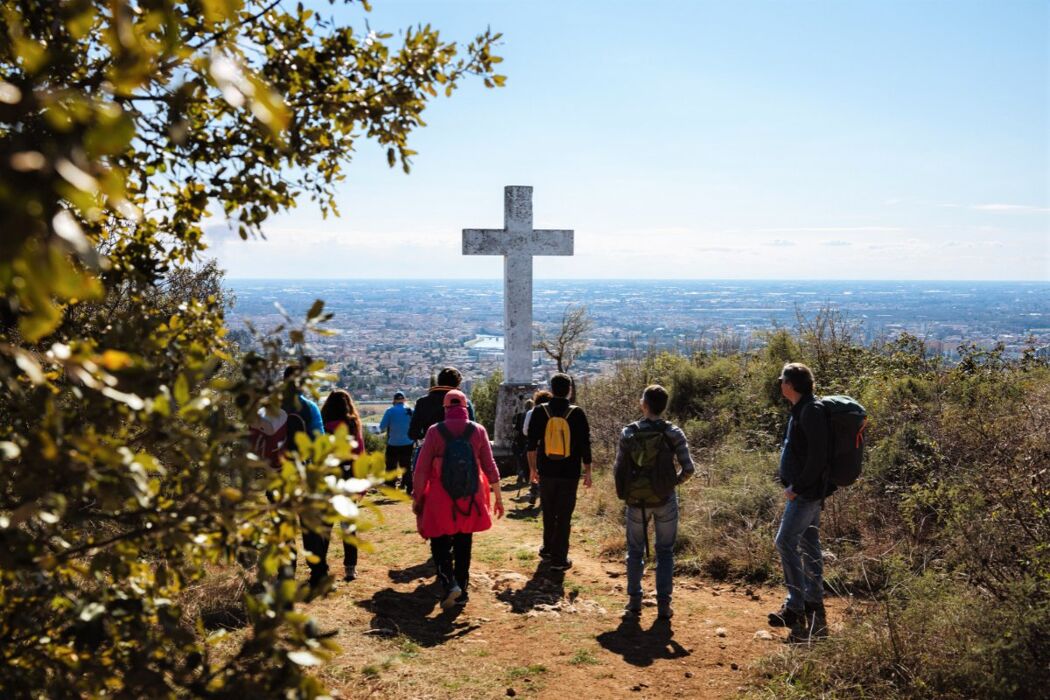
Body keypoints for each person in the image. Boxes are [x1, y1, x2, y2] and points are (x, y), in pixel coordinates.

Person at [412, 390, 504, 608]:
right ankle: (462, 591)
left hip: (440, 497)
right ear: (465, 407)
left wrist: (418, 497)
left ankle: (449, 584)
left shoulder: (435, 431)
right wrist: (498, 497)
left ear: (446, 409)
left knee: (439, 541)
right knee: (464, 543)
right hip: (469, 496)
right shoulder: (478, 430)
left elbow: (421, 469)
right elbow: (490, 467)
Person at [613, 384, 694, 620]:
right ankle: (663, 606)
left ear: (644, 404)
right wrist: (670, 484)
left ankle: (634, 602)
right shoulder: (674, 433)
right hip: (665, 499)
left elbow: (618, 469)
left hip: (636, 501)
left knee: (634, 550)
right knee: (665, 552)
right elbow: (689, 468)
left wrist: (628, 492)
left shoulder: (628, 433)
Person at [770, 362, 831, 642]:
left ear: (790, 385)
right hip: (807, 491)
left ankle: (795, 605)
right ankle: (813, 600)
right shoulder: (802, 409)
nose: (779, 383)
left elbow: (818, 457)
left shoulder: (810, 411)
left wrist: (798, 486)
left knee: (784, 542)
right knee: (809, 543)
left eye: (782, 379)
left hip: (806, 493)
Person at [527, 373, 592, 572]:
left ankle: (547, 549)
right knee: (564, 514)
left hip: (546, 470)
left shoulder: (540, 411)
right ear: (570, 390)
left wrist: (532, 469)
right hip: (570, 472)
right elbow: (585, 445)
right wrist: (588, 471)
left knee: (548, 510)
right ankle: (559, 558)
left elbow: (531, 444)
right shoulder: (577, 413)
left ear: (551, 389)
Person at [312, 389, 366, 582]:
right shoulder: (352, 424)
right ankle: (350, 568)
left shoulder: (322, 424)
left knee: (325, 526)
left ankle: (321, 567)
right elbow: (360, 453)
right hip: (348, 478)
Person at [408, 366, 475, 442]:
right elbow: (472, 430)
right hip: (459, 450)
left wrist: (427, 437)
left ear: (439, 382)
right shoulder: (465, 403)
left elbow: (413, 433)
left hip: (432, 448)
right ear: (458, 384)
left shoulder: (422, 402)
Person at [522, 390, 552, 507]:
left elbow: (525, 431)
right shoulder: (553, 412)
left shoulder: (531, 412)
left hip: (535, 446)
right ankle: (546, 497)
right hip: (551, 446)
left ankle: (534, 493)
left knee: (534, 470)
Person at [379, 391, 414, 492]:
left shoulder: (390, 411)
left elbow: (382, 426)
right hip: (408, 443)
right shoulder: (411, 410)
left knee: (390, 466)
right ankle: (409, 487)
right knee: (406, 465)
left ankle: (390, 488)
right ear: (404, 400)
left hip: (393, 443)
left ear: (394, 401)